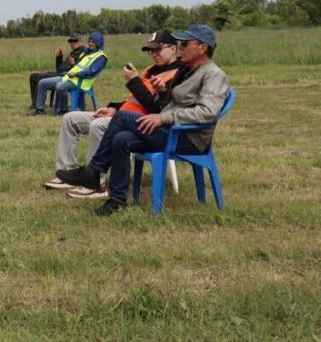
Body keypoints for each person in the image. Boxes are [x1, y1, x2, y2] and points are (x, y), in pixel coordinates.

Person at [56, 24, 230, 216]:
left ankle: (94, 171)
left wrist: (163, 118)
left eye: (185, 43)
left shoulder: (214, 75)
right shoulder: (187, 71)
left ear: (203, 48)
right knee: (120, 139)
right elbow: (175, 101)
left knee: (122, 117)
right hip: (171, 131)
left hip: (187, 138)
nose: (180, 47)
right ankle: (117, 200)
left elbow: (207, 112)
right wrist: (164, 92)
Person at [45, 30, 182, 198]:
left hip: (139, 124)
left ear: (174, 49)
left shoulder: (178, 75)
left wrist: (134, 81)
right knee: (70, 118)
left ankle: (95, 184)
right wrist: (115, 108)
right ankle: (66, 173)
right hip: (120, 116)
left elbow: (157, 111)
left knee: (97, 125)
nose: (154, 54)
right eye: (150, 50)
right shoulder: (151, 70)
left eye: (158, 50)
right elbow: (135, 100)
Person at [30, 32, 107, 115]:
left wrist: (76, 74)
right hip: (68, 77)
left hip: (80, 82)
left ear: (98, 42)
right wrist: (61, 58)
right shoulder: (87, 52)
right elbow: (73, 65)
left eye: (92, 42)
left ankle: (63, 110)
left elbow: (91, 72)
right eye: (89, 41)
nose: (89, 43)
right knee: (42, 83)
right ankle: (40, 110)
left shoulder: (101, 57)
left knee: (60, 86)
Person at [28, 33, 86, 113]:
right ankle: (34, 103)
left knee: (39, 78)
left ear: (80, 41)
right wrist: (59, 57)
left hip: (67, 76)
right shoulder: (73, 53)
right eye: (70, 41)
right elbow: (59, 68)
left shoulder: (83, 53)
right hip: (60, 73)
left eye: (74, 41)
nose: (72, 43)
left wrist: (73, 63)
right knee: (33, 76)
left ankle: (37, 106)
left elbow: (80, 69)